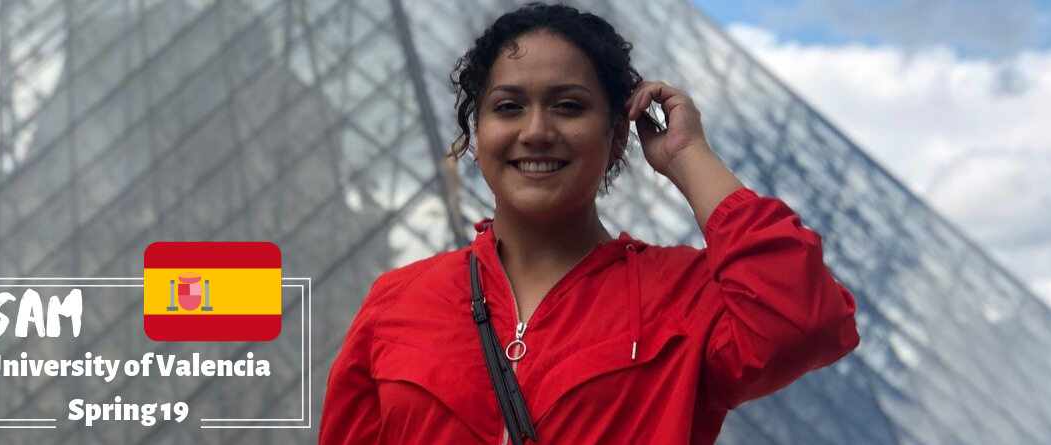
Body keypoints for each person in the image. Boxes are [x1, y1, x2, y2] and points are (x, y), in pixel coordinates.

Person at [319, 3, 860, 444]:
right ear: (476, 134)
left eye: (568, 106)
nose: (536, 131)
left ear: (618, 135)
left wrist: (689, 153)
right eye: (508, 107)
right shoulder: (397, 303)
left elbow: (803, 321)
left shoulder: (683, 296)